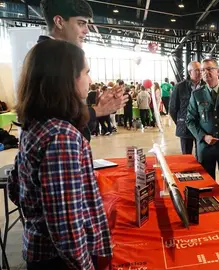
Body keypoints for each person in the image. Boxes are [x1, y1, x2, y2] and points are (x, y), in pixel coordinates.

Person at [7, 39, 112, 269]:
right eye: (86, 72)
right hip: (60, 261)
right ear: (67, 79)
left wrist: (37, 217)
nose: (91, 80)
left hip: (39, 250)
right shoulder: (61, 136)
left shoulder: (33, 124)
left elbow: (16, 188)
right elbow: (67, 231)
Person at [38, 0, 127, 141]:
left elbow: (66, 113)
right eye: (81, 23)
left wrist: (97, 109)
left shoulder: (55, 55)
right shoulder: (48, 59)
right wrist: (97, 111)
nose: (86, 30)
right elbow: (57, 120)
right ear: (59, 22)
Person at [186, 58, 219, 192]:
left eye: (209, 69)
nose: (205, 73)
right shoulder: (197, 94)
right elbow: (190, 120)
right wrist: (203, 137)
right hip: (205, 147)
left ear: (218, 71)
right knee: (206, 187)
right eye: (203, 70)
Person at [169, 61, 205, 155]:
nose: (200, 72)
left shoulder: (205, 86)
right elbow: (173, 109)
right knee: (186, 156)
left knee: (202, 155)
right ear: (190, 72)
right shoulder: (179, 87)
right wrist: (180, 121)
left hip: (202, 127)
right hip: (185, 127)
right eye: (197, 70)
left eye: (201, 70)